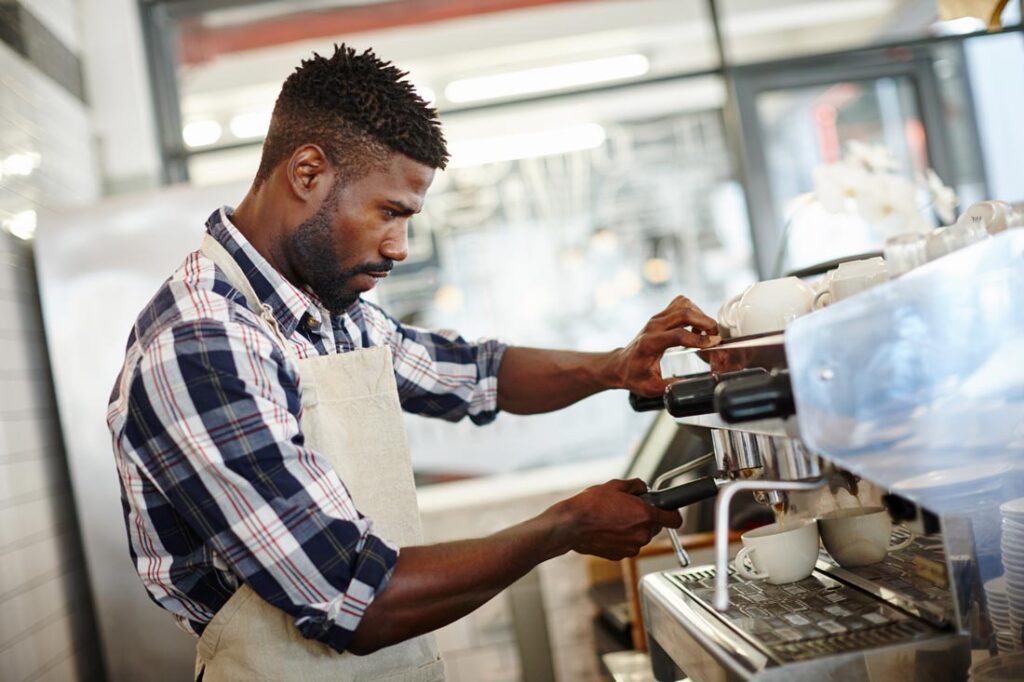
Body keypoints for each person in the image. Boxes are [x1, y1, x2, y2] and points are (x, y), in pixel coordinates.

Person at [106, 44, 721, 681]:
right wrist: (563, 527)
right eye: (390, 213)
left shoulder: (326, 308)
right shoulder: (200, 344)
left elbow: (471, 374)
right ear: (308, 172)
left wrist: (616, 367)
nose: (399, 247)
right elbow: (354, 598)